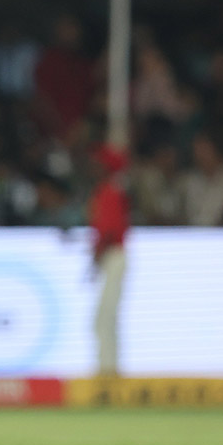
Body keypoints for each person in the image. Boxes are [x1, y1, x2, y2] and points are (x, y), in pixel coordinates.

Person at [88, 144, 131, 377]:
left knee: (104, 317)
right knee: (106, 317)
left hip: (112, 256)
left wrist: (95, 259)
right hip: (112, 256)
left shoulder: (109, 192)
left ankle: (107, 373)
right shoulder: (109, 191)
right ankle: (109, 368)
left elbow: (109, 231)